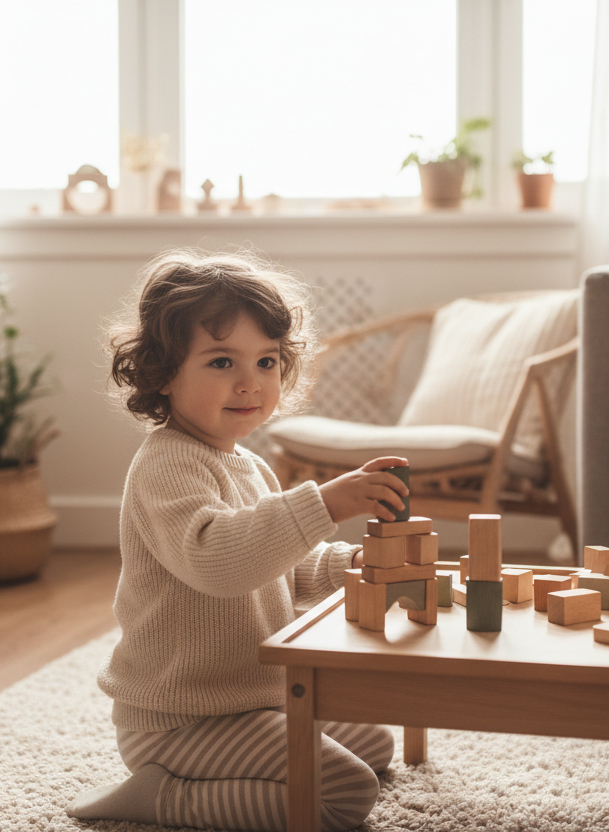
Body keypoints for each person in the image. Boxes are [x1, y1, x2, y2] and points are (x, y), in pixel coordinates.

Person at [67, 249, 408, 831]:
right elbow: (217, 561)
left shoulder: (248, 465)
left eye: (268, 362)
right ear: (163, 374)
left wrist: (349, 563)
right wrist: (324, 502)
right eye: (222, 361)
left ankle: (229, 767)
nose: (251, 383)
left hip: (255, 698)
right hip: (181, 718)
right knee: (345, 793)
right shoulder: (166, 466)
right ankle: (159, 796)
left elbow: (277, 566)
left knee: (375, 743)